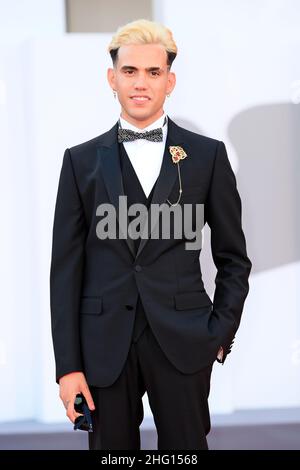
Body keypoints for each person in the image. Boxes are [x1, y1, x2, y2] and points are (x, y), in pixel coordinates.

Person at [50, 18, 252, 450]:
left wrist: (218, 335)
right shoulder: (79, 162)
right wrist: (68, 367)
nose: (141, 83)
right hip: (103, 349)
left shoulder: (207, 157)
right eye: (130, 71)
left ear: (170, 80)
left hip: (184, 343)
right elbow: (64, 273)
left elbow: (233, 258)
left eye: (153, 72)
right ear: (112, 78)